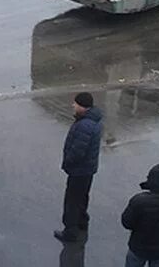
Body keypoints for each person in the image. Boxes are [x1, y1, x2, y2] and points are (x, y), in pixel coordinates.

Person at [54, 92, 103, 243]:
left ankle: (70, 232)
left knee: (72, 201)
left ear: (82, 106)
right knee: (82, 197)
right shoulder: (93, 121)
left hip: (79, 170)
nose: (73, 105)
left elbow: (78, 151)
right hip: (88, 169)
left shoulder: (84, 125)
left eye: (75, 103)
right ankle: (82, 222)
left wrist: (68, 162)